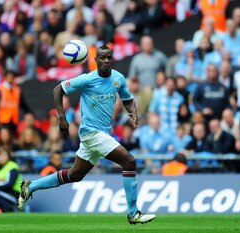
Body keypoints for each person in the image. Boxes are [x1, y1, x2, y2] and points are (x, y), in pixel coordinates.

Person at [18, 45, 156, 224]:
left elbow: (127, 98)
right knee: (129, 161)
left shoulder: (118, 78)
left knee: (75, 175)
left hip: (102, 134)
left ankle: (30, 187)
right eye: (102, 57)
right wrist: (62, 117)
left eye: (109, 57)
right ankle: (133, 213)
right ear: (96, 60)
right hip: (91, 133)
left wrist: (134, 113)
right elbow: (57, 90)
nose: (106, 60)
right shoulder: (86, 80)